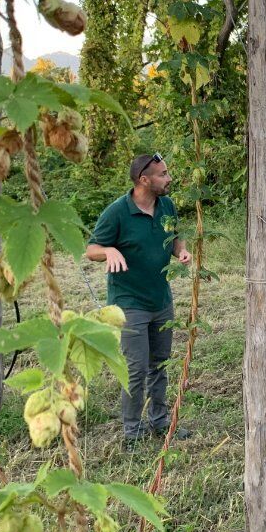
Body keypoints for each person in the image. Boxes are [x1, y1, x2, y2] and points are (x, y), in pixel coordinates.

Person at [87, 153, 192, 445]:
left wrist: (180, 251)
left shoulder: (167, 205)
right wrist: (108, 251)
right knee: (135, 369)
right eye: (162, 174)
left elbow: (175, 237)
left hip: (161, 299)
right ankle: (132, 431)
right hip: (129, 303)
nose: (168, 178)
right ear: (144, 180)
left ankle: (159, 422)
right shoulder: (117, 212)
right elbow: (92, 248)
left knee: (160, 364)